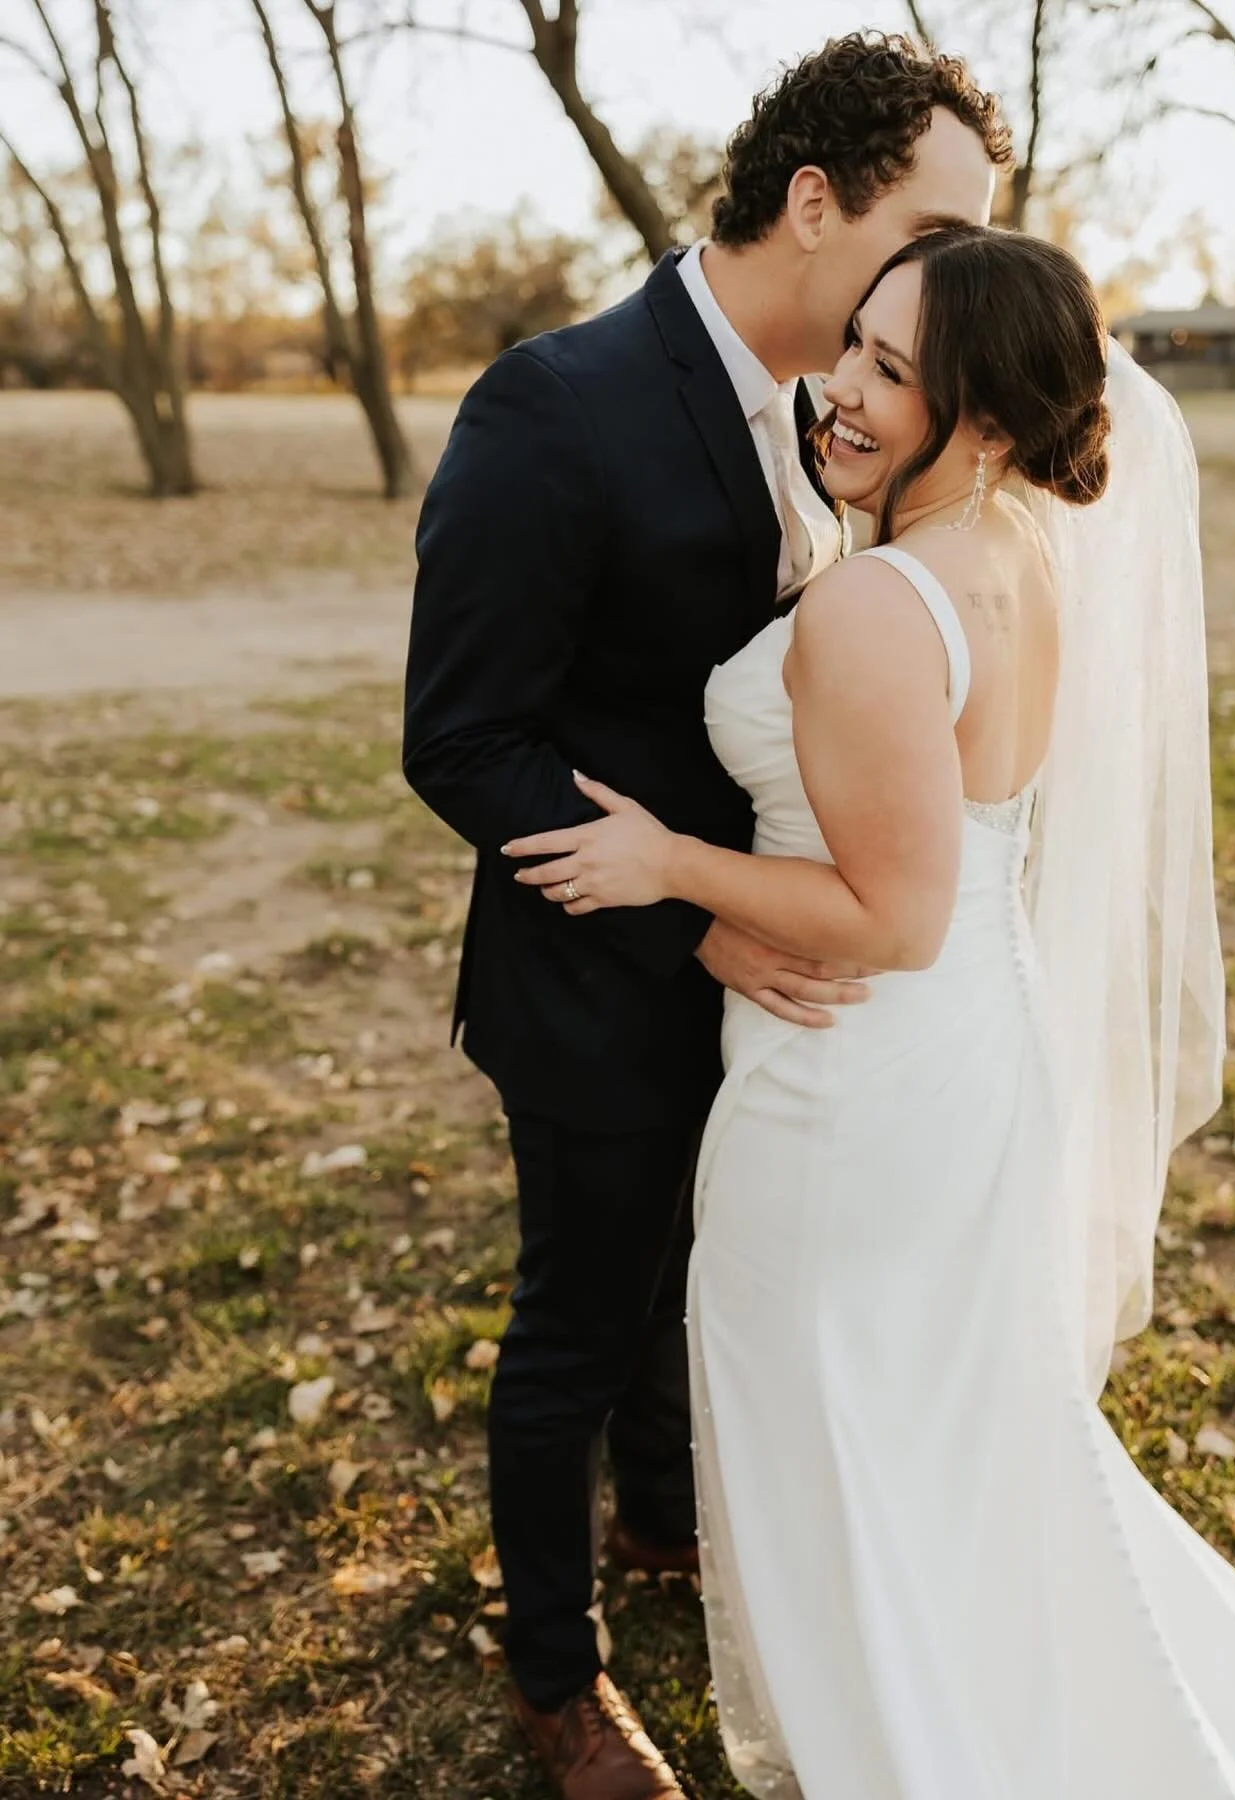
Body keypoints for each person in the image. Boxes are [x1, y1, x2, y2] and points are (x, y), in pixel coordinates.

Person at [504, 226, 1235, 1798]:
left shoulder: (882, 608)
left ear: (989, 424)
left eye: (891, 372)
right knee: (930, 1430)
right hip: (966, 1059)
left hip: (857, 1078)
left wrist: (672, 862)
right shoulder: (1013, 550)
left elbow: (891, 918)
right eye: (852, 345)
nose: (842, 391)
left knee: (851, 1432)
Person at [402, 32, 1010, 1800]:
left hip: (769, 963)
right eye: (931, 226)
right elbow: (461, 737)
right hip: (597, 969)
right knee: (578, 1318)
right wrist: (689, 926)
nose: (947, 276)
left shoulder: (865, 411)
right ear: (812, 200)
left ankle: (667, 1525)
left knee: (689, 1280)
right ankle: (555, 1677)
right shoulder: (556, 401)